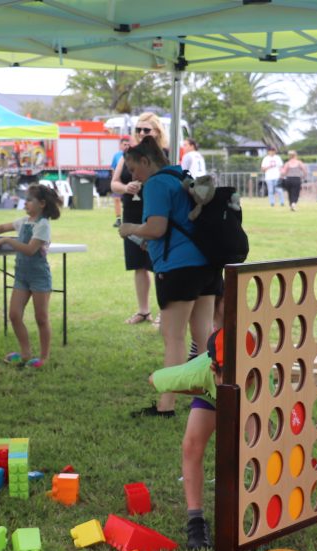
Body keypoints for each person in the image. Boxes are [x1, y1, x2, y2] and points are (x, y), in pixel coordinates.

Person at [120, 136, 220, 418]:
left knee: (173, 337)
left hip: (178, 269)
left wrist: (130, 228)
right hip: (206, 265)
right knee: (203, 338)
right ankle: (209, 398)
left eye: (134, 169)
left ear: (145, 161)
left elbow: (157, 228)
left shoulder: (156, 184)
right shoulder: (181, 176)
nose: (133, 176)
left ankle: (166, 406)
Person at [148, 328, 224, 548]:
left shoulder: (260, 377)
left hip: (252, 400)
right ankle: (196, 521)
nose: (239, 379)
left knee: (254, 448)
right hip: (211, 396)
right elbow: (153, 379)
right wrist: (200, 390)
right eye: (229, 375)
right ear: (213, 368)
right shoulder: (198, 371)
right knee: (191, 446)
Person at [0, 184, 62, 368]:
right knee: (14, 315)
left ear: (42, 204)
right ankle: (25, 353)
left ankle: (44, 358)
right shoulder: (23, 221)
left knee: (41, 318)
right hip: (22, 276)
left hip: (39, 277)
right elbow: (1, 227)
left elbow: (30, 250)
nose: (25, 203)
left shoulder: (43, 225)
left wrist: (8, 240)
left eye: (29, 200)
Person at [111, 112, 168, 326]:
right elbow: (114, 183)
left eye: (146, 129)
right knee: (138, 264)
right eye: (138, 129)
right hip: (132, 213)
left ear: (157, 132)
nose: (142, 133)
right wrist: (126, 187)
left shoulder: (164, 156)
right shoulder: (128, 154)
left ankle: (164, 312)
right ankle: (143, 311)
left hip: (155, 212)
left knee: (158, 264)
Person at [111, 136, 129, 227]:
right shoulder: (116, 156)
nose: (126, 146)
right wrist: (114, 180)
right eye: (124, 144)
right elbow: (113, 169)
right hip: (119, 181)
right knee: (117, 199)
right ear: (120, 145)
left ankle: (128, 218)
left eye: (128, 144)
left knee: (127, 201)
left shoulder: (131, 155)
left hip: (127, 181)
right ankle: (118, 219)